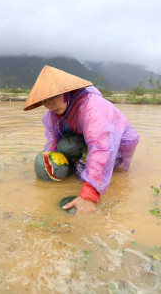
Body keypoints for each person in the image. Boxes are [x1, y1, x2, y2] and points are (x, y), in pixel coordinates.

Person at [23, 66, 139, 216]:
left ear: (67, 93)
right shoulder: (51, 116)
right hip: (91, 140)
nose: (50, 104)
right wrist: (52, 167)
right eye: (45, 100)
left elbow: (101, 147)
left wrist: (90, 193)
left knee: (79, 168)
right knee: (70, 162)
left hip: (118, 140)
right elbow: (54, 145)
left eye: (53, 97)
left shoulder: (91, 107)